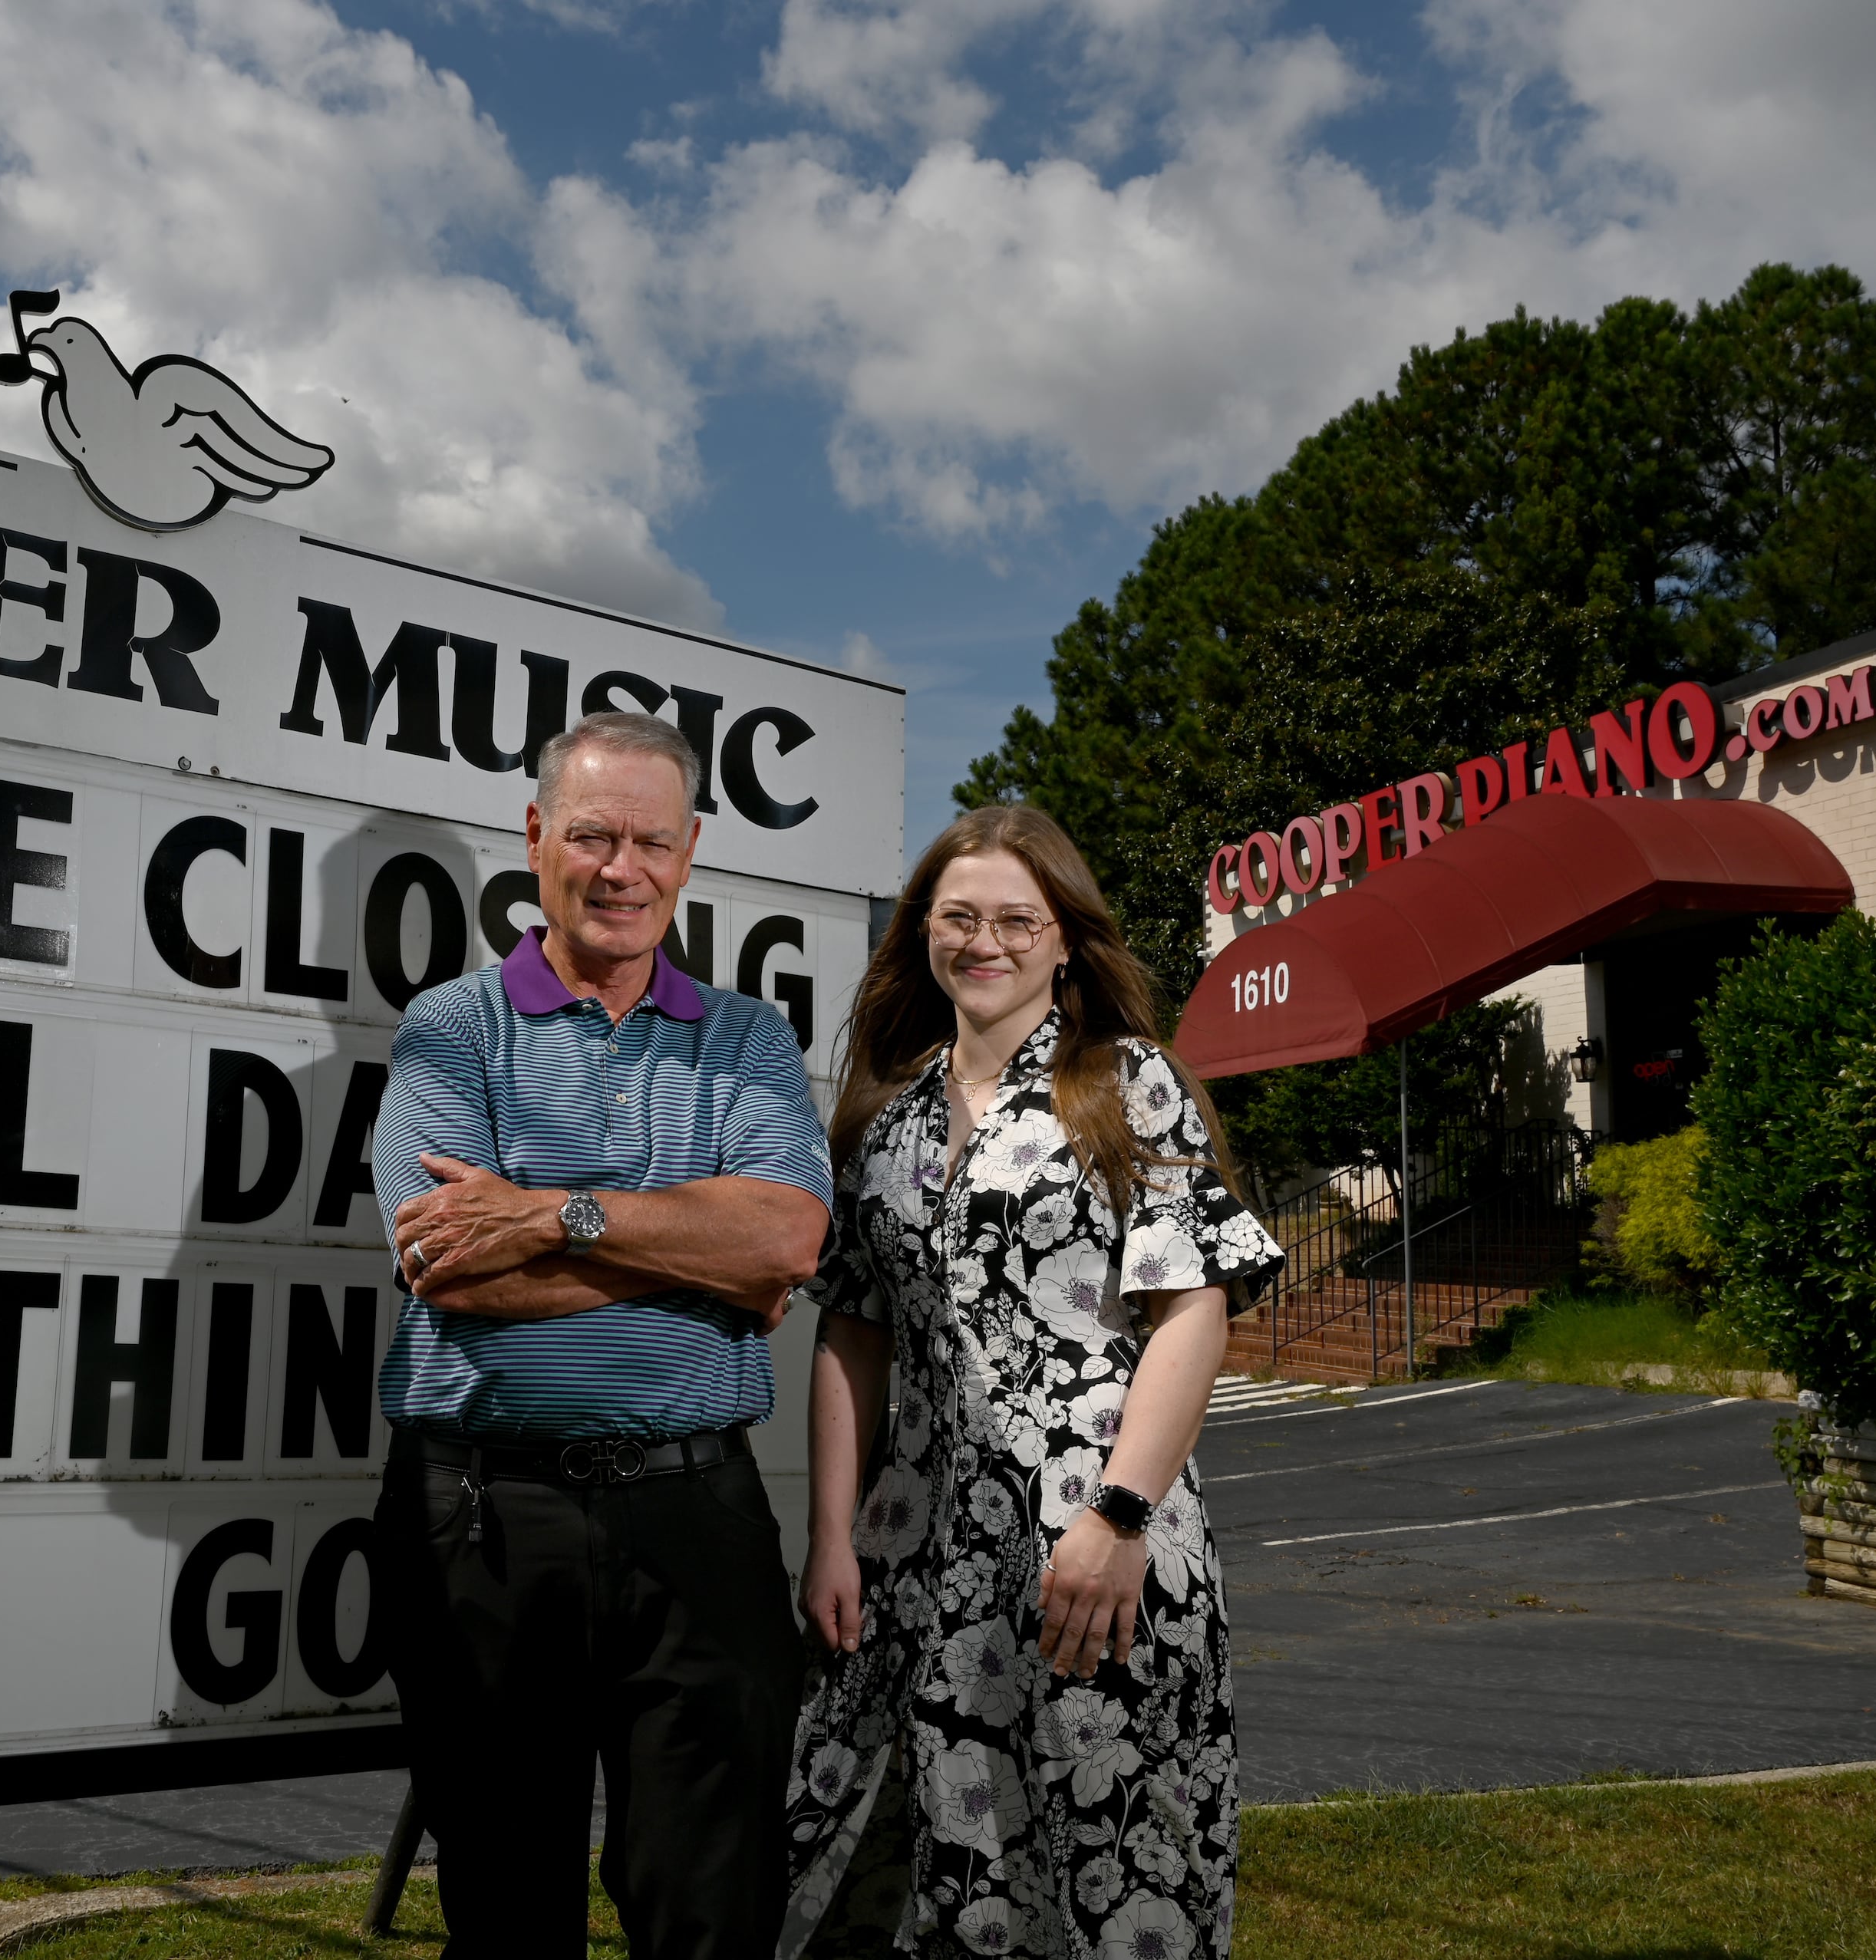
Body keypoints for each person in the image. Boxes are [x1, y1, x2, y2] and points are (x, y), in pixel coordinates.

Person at [370, 710, 835, 1960]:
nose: (621, 868)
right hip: (481, 1521)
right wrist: (704, 1270)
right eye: (591, 837)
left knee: (713, 1910)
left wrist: (552, 1215)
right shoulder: (452, 1027)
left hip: (698, 1514)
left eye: (650, 841)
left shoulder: (749, 1039)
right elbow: (449, 1269)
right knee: (507, 1912)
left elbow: (788, 1241)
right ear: (536, 837)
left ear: (689, 853)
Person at [781, 805, 1284, 1959]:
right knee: (939, 1856)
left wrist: (1119, 1518)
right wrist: (831, 1538)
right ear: (923, 931)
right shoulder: (885, 1118)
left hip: (1094, 1545)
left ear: (1064, 940)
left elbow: (1193, 1315)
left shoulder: (1126, 1085)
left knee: (1117, 1856)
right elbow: (850, 1334)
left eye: (1018, 919)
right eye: (959, 917)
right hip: (915, 1555)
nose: (986, 941)